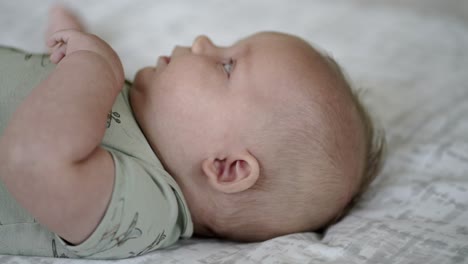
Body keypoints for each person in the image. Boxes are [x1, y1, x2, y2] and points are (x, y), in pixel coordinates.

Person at [0, 5, 385, 259]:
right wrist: (72, 40)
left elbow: (33, 159)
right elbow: (61, 92)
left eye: (227, 65)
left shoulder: (145, 204)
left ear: (227, 168)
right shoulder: (141, 105)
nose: (202, 42)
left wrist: (92, 64)